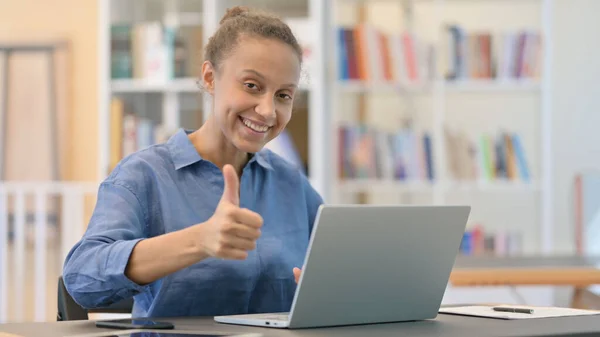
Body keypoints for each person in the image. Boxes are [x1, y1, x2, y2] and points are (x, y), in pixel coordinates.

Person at [62, 6, 323, 318]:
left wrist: (328, 287)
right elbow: (82, 278)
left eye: (283, 95)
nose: (267, 111)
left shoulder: (290, 183)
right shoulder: (144, 175)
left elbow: (334, 268)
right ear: (210, 78)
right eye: (252, 86)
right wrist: (200, 239)